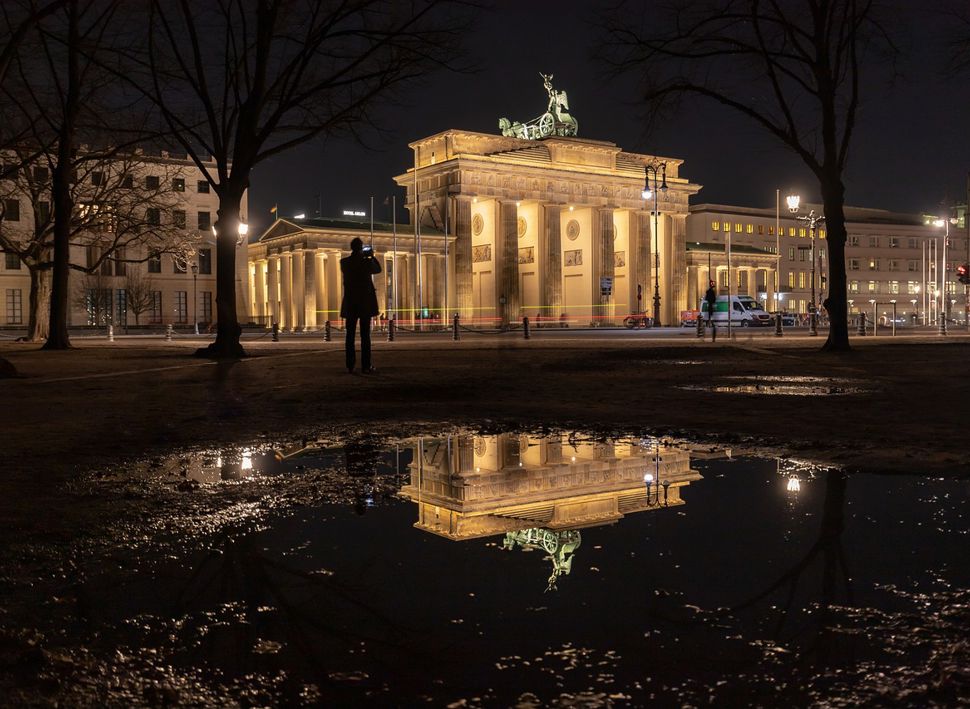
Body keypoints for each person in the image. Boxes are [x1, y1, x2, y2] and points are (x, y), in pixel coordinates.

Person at [340, 237, 382, 374]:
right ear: (360, 248)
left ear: (351, 248)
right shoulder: (366, 263)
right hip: (364, 304)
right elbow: (378, 270)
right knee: (365, 336)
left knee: (349, 336)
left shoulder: (344, 262)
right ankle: (366, 365)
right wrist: (371, 257)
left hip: (351, 303)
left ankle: (350, 365)